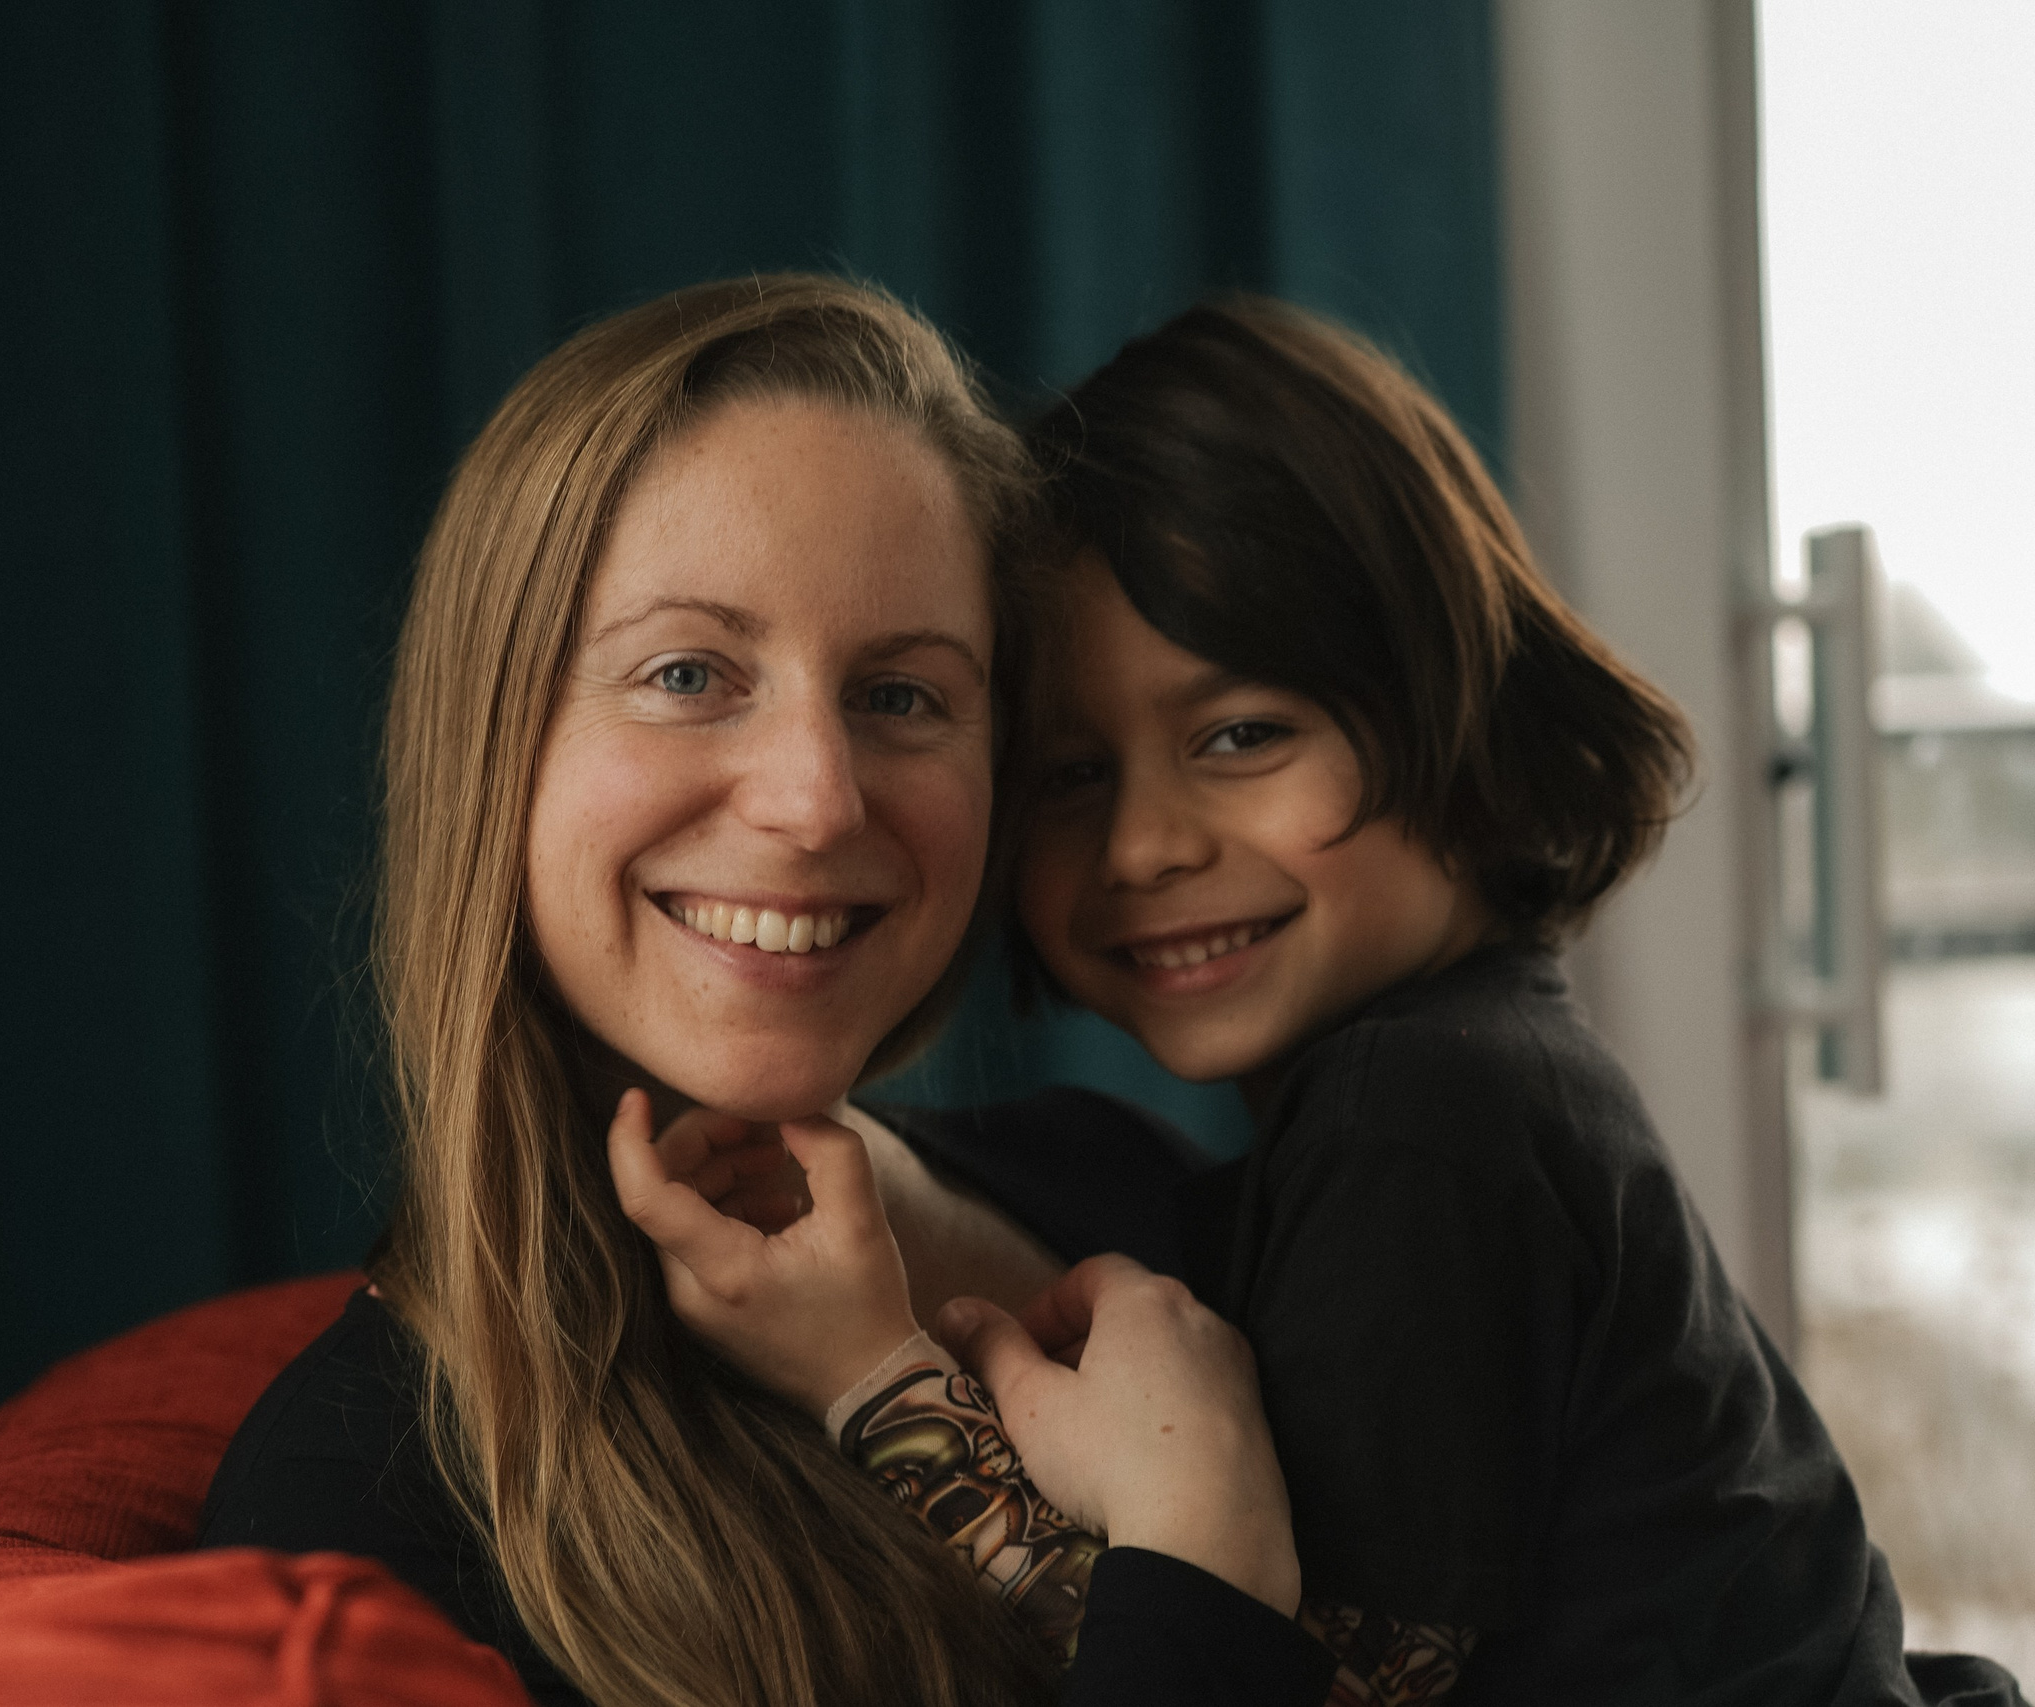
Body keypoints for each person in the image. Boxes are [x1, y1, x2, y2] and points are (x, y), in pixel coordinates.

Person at [632, 297, 2025, 1706]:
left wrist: (875, 1384)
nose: (1144, 846)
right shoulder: (1465, 1079)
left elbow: (1293, 1685)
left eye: (1242, 736)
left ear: (1457, 708)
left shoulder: (1421, 1118)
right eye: (1072, 776)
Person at [198, 275, 1336, 1707]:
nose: (816, 799)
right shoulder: (349, 1522)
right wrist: (1201, 1562)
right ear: (493, 743)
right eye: (688, 673)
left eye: (901, 695)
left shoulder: (1120, 1188)